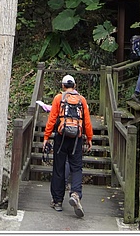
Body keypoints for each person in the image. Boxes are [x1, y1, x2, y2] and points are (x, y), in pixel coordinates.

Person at [43, 75, 93, 217]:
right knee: (76, 167)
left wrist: (46, 137)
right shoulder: (82, 100)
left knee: (59, 168)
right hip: (76, 138)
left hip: (61, 137)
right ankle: (76, 194)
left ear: (63, 86)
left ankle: (58, 201)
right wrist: (89, 138)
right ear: (75, 85)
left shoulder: (59, 98)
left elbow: (52, 119)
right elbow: (87, 121)